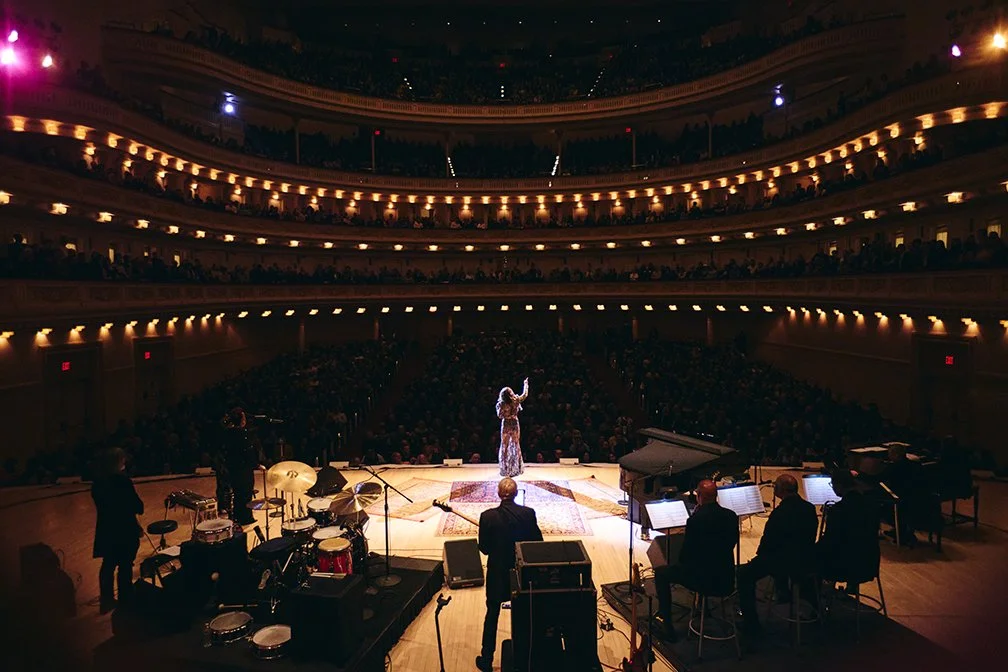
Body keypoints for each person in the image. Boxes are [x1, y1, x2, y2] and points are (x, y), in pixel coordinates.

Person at [654, 480, 739, 641]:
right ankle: (703, 608)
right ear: (716, 496)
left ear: (699, 496)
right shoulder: (730, 516)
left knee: (662, 573)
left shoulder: (696, 521)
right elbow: (730, 544)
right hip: (726, 580)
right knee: (708, 562)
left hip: (701, 581)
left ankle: (668, 627)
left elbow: (685, 557)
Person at [475, 477, 543, 672]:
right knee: (524, 616)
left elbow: (485, 549)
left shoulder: (487, 517)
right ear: (515, 494)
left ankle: (487, 660)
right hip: (521, 574)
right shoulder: (528, 514)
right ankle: (526, 658)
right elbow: (537, 543)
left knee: (492, 615)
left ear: (498, 494)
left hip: (497, 574)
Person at [738, 474, 818, 631]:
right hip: (805, 559)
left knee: (743, 574)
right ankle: (784, 591)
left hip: (783, 563)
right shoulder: (809, 508)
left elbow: (768, 543)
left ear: (781, 490)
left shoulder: (780, 513)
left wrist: (759, 559)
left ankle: (751, 624)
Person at [91, 447, 143, 614]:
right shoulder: (123, 482)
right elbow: (137, 506)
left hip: (107, 529)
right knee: (125, 565)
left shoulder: (97, 484)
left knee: (108, 564)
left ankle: (106, 601)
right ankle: (125, 600)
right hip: (125, 529)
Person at [817, 469, 880, 582]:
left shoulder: (838, 510)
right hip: (869, 563)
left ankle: (814, 596)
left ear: (839, 485)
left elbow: (830, 542)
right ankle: (849, 588)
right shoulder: (872, 506)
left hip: (845, 567)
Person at [215, 407, 258, 526]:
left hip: (232, 467)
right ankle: (245, 517)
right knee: (245, 494)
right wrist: (256, 464)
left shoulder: (227, 433)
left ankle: (237, 516)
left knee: (237, 493)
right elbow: (248, 452)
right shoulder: (242, 434)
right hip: (243, 469)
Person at [496, 377, 529, 478]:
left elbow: (499, 416)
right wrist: (526, 385)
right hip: (514, 423)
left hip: (506, 424)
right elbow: (525, 394)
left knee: (505, 446)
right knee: (516, 445)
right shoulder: (516, 401)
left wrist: (506, 413)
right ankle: (517, 468)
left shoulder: (501, 404)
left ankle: (504, 468)